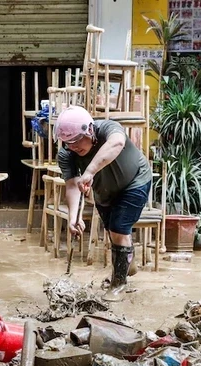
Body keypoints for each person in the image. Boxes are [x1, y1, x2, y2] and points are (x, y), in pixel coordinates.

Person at [55, 106, 152, 302]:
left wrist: (89, 171)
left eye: (76, 141)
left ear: (89, 130)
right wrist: (74, 217)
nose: (73, 147)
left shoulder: (108, 128)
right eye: (67, 143)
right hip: (105, 190)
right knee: (111, 230)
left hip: (135, 180)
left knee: (119, 228)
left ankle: (119, 284)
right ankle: (127, 263)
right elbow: (72, 186)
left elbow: (117, 143)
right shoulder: (66, 155)